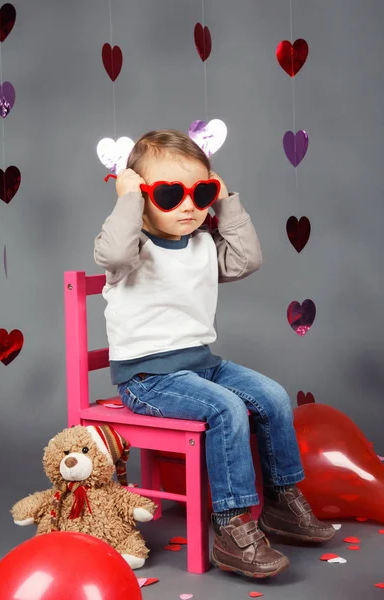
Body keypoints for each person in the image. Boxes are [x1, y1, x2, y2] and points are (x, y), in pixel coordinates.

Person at [94, 129, 336, 579]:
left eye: (200, 192)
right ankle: (231, 526)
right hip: (148, 380)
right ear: (140, 195)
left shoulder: (203, 245)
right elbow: (112, 251)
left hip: (202, 366)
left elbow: (246, 260)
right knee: (227, 410)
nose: (189, 205)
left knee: (274, 396)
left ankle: (282, 501)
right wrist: (126, 198)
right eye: (169, 194)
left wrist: (226, 201)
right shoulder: (132, 250)